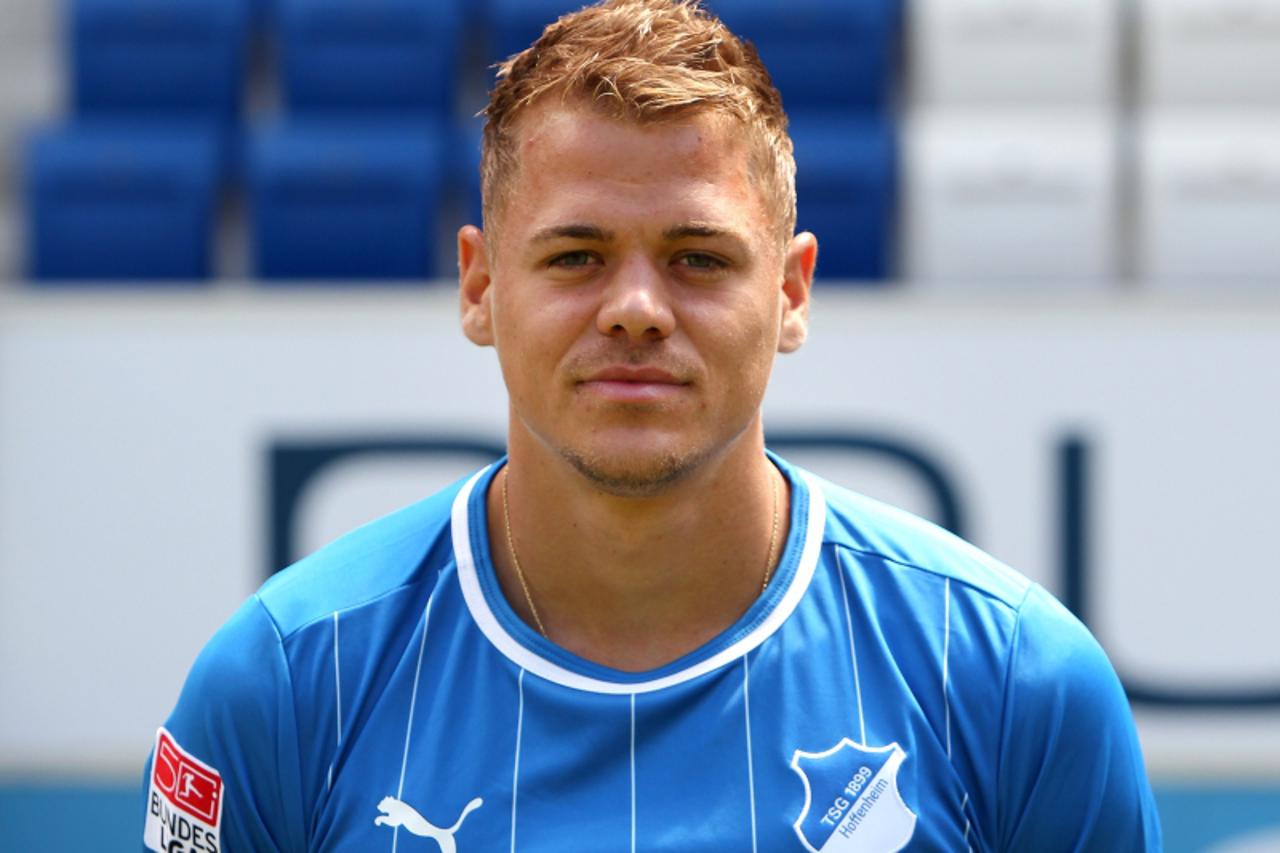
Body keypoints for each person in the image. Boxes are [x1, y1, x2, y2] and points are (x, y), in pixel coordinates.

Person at [143, 1, 1162, 850]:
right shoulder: (282, 680)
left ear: (792, 292)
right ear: (480, 285)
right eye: (576, 256)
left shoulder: (1013, 680)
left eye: (698, 258)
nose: (636, 306)